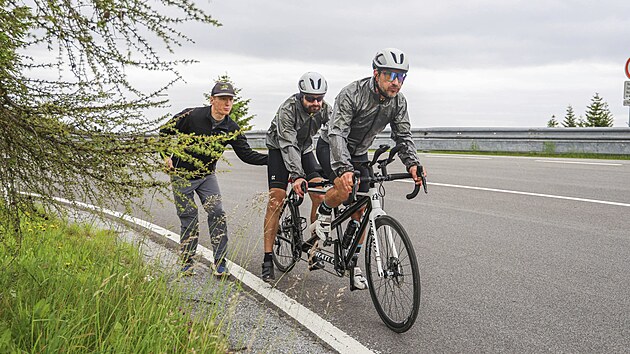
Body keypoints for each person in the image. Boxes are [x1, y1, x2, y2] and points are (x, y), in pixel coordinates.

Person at [315, 48, 426, 290]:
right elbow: (337, 133)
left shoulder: (398, 101)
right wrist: (343, 168)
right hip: (331, 146)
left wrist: (413, 163)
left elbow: (403, 135)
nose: (396, 83)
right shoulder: (352, 93)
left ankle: (351, 263)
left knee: (364, 209)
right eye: (390, 76)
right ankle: (324, 210)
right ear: (376, 74)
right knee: (344, 189)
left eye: (402, 77)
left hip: (359, 152)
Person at [160, 81, 268, 276]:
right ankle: (186, 261)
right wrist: (166, 155)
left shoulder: (231, 127)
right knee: (189, 218)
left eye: (230, 99)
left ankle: (219, 262)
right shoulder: (191, 115)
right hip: (182, 175)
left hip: (206, 176)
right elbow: (165, 131)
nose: (227, 103)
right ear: (212, 100)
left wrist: (273, 160)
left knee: (217, 212)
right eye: (223, 99)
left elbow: (247, 155)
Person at [261, 72, 332, 282]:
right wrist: (297, 175)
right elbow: (288, 143)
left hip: (305, 148)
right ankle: (266, 258)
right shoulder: (287, 109)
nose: (316, 103)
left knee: (319, 195)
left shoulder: (326, 109)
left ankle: (314, 249)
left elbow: (337, 133)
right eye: (310, 99)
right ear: (301, 96)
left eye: (319, 98)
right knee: (276, 199)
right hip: (279, 148)